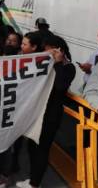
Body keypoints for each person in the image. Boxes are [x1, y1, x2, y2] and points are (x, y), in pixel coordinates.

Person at [16, 35, 75, 188]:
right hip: (37, 113)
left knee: (42, 149)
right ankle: (32, 179)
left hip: (50, 117)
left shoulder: (68, 67)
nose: (46, 52)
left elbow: (60, 85)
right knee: (31, 146)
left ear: (59, 50)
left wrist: (57, 62)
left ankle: (35, 184)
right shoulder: (44, 64)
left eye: (49, 50)